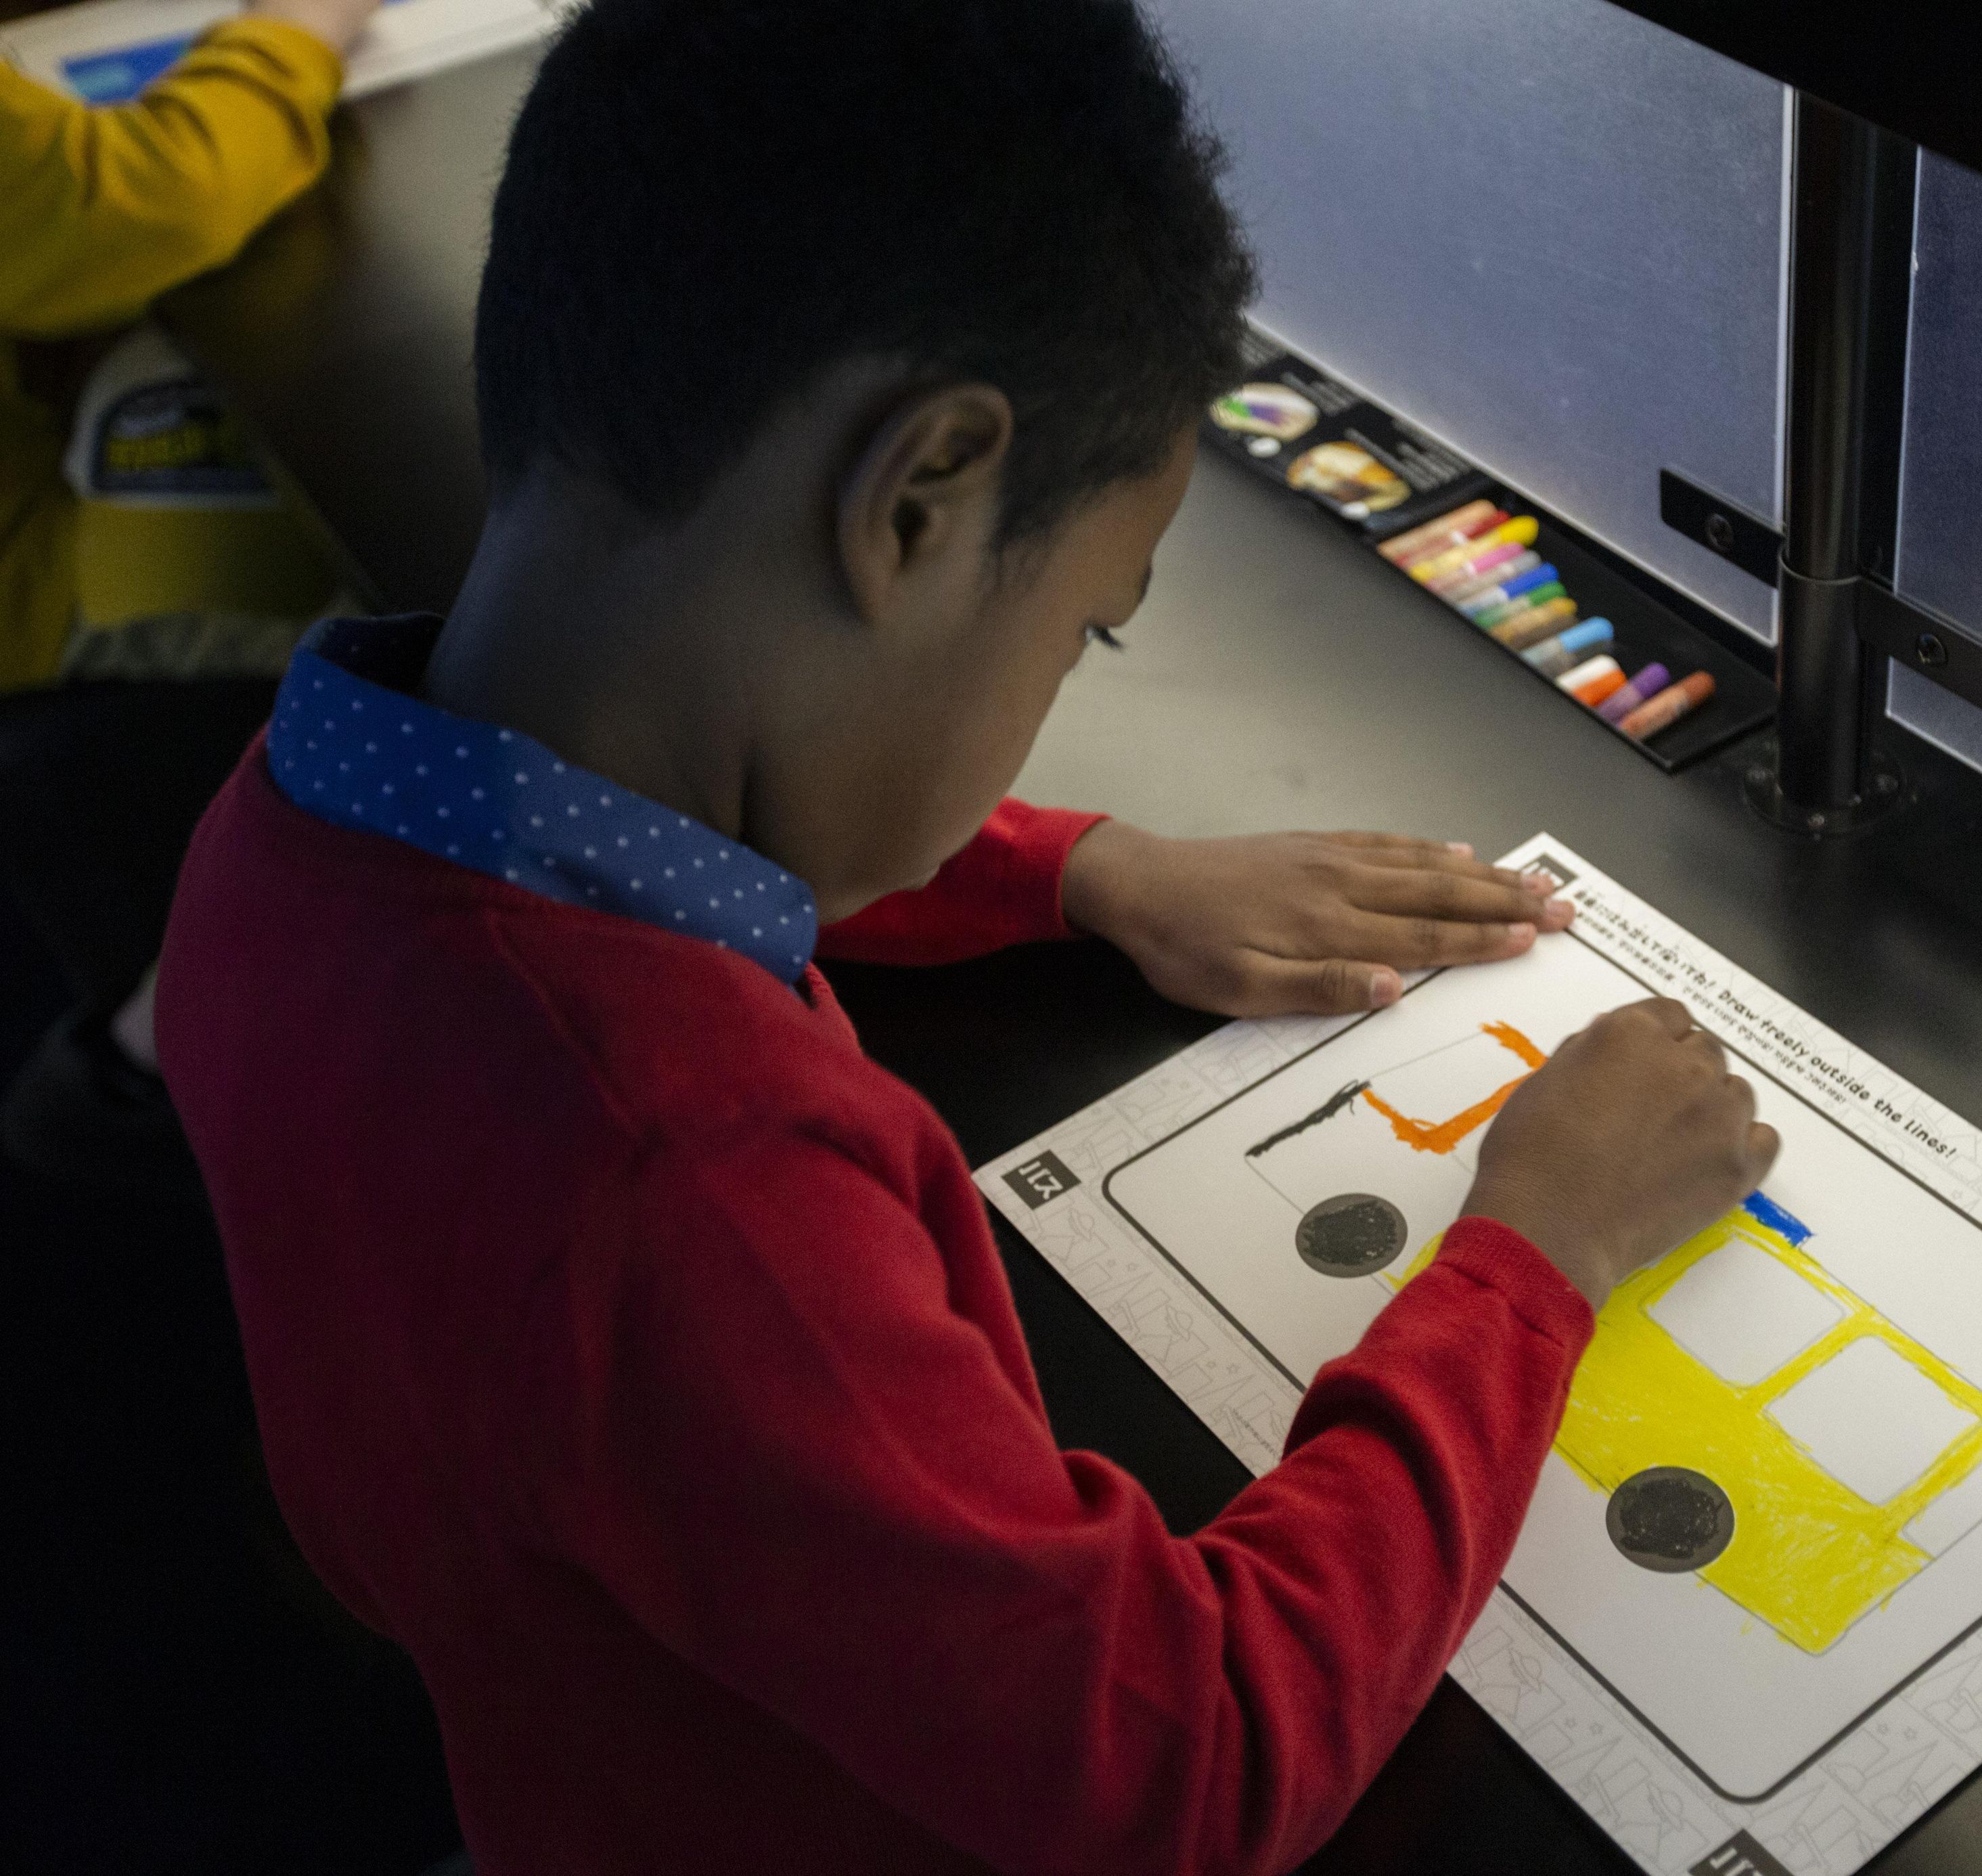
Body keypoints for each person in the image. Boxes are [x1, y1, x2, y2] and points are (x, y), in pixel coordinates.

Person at [156, 3, 1780, 1871]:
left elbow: (615, 832)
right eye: (1086, 627)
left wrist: (1076, 870)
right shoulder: (692, 1191)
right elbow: (1183, 1763)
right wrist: (1538, 1250)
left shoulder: (283, 834)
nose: (1060, 687)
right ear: (918, 497)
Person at [0, 0, 381, 1171]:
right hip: (30, 635)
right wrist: (298, 31)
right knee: (435, 635)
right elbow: (133, 202)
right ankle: (168, 1050)